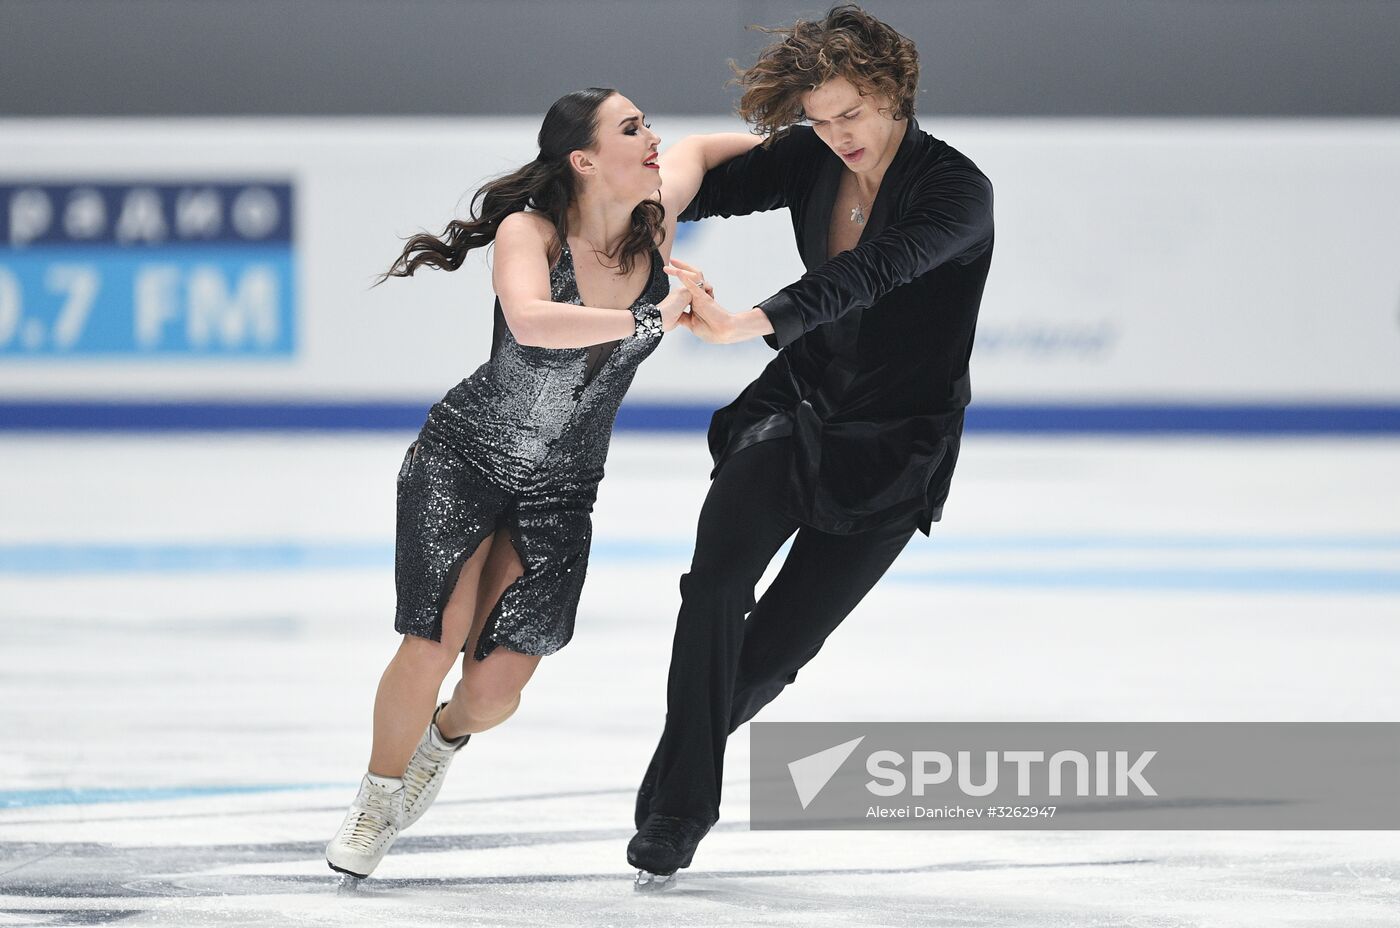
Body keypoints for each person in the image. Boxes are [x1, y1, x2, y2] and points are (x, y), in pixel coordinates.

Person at [323, 87, 759, 881]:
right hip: (464, 457)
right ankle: (376, 798)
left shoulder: (657, 218)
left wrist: (822, 139)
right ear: (584, 159)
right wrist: (655, 316)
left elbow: (707, 148)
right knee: (432, 639)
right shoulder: (531, 232)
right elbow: (529, 319)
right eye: (632, 129)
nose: (651, 137)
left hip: (563, 490)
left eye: (647, 124)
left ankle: (441, 741)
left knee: (492, 691)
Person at [625, 4, 996, 888]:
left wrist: (746, 322)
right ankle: (678, 816)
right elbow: (709, 170)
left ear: (892, 93)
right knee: (714, 584)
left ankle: (682, 762)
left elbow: (867, 274)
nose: (835, 138)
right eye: (819, 120)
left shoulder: (957, 192)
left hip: (897, 444)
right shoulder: (815, 156)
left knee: (774, 652)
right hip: (794, 407)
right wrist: (659, 205)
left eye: (850, 116)